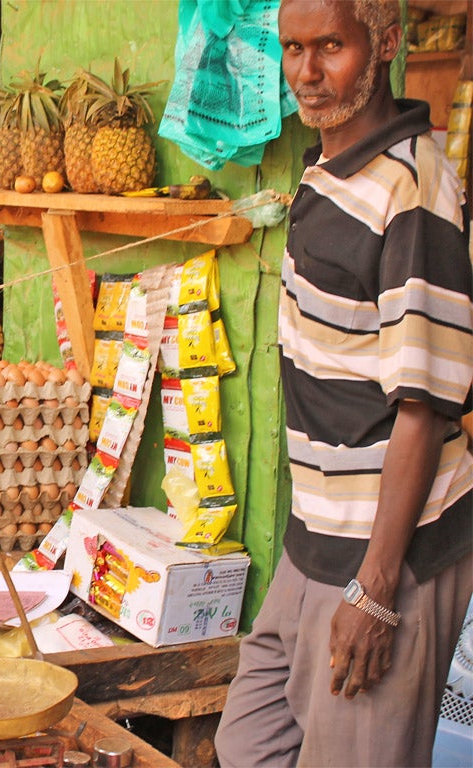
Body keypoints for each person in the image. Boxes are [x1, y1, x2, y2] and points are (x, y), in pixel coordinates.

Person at [214, 1, 472, 766]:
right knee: (247, 743)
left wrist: (376, 590)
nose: (307, 72)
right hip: (316, 541)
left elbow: (423, 411)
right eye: (293, 49)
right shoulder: (328, 169)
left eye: (332, 47)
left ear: (386, 44)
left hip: (386, 552)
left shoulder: (415, 194)